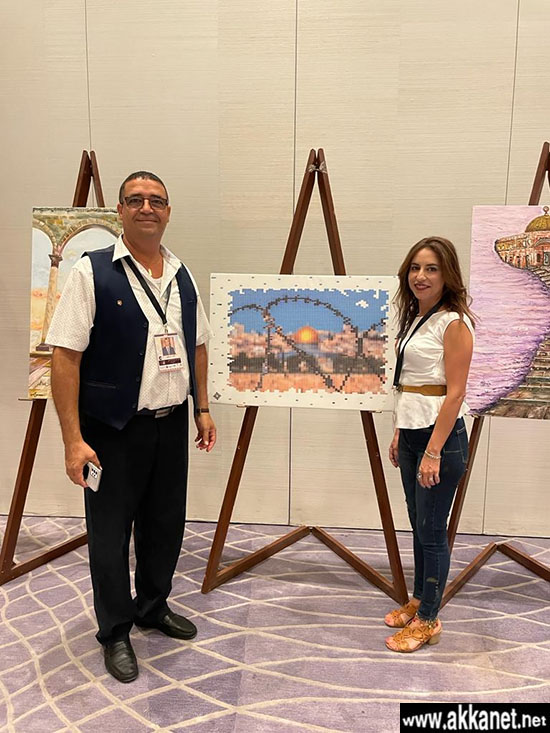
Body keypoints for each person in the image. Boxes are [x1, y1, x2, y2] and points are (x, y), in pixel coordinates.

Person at [48, 171, 217, 682]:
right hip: (112, 430)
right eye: (136, 200)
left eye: (157, 201)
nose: (147, 208)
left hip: (170, 425)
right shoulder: (91, 271)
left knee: (165, 524)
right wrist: (73, 440)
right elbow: (65, 357)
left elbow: (198, 345)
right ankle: (115, 630)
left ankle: (152, 606)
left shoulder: (181, 273)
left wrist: (202, 408)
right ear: (120, 211)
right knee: (110, 534)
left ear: (168, 212)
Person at [385, 236, 474, 652]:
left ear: (447, 275)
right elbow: (411, 384)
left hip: (441, 439)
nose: (421, 276)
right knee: (419, 525)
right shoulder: (418, 317)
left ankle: (429, 620)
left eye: (432, 269)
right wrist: (400, 431)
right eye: (415, 267)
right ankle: (420, 599)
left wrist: (433, 451)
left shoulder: (453, 322)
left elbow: (454, 394)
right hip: (412, 432)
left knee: (433, 530)